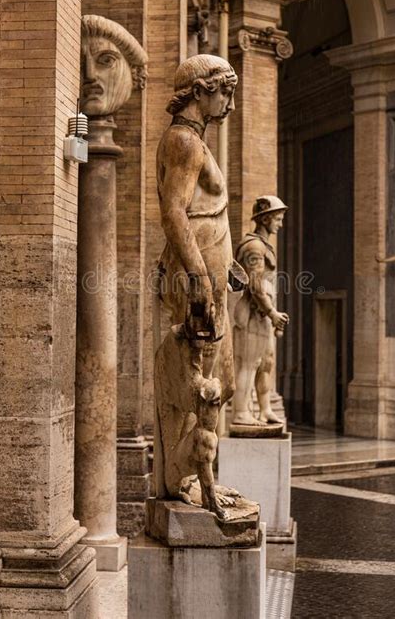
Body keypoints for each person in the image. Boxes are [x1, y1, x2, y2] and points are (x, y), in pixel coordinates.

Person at [154, 54, 241, 519]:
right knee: (204, 388)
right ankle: (184, 478)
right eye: (223, 90)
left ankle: (194, 473)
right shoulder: (185, 142)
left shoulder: (194, 141)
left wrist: (226, 272)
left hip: (208, 273)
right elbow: (174, 213)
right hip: (196, 279)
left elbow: (206, 214)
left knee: (215, 386)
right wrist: (202, 280)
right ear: (199, 90)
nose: (229, 100)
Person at [232, 196, 290, 426]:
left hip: (264, 314)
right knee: (248, 363)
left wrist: (271, 313)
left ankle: (264, 410)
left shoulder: (264, 245)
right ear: (265, 219)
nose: (280, 224)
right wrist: (273, 313)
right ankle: (240, 412)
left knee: (266, 362)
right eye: (277, 219)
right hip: (253, 313)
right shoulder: (254, 247)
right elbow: (255, 285)